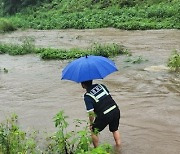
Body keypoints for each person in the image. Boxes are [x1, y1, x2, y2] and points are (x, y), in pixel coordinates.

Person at [81, 80, 121, 148]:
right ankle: (119, 148)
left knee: (94, 131)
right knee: (115, 129)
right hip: (115, 109)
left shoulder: (87, 96)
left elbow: (91, 112)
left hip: (105, 114)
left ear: (83, 85)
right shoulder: (101, 86)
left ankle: (96, 150)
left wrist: (91, 123)